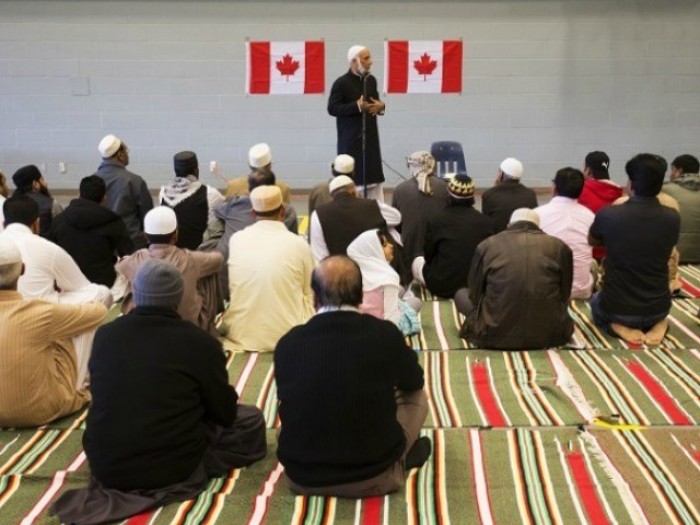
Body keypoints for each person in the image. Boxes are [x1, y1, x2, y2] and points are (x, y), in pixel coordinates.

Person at [51, 259, 266, 525]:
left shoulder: (107, 334)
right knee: (251, 420)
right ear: (178, 297)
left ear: (136, 295)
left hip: (107, 464)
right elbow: (224, 413)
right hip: (173, 467)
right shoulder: (199, 342)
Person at [275, 256, 430, 497]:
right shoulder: (384, 334)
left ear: (315, 297)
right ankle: (400, 458)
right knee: (417, 398)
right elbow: (414, 382)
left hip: (301, 478)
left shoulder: (288, 343)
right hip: (373, 475)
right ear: (360, 296)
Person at [2, 196, 113, 386]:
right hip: (40, 319)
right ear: (37, 223)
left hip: (10, 320)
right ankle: (77, 381)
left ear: (4, 222)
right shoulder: (45, 248)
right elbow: (83, 286)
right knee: (99, 294)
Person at [0, 237, 107, 428]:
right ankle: (80, 385)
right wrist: (60, 304)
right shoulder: (41, 311)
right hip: (42, 410)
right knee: (70, 329)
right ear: (23, 270)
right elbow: (99, 312)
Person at [589, 154, 680, 345]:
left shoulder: (609, 214)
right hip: (659, 307)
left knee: (596, 300)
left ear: (631, 183)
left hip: (615, 308)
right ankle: (659, 323)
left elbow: (593, 241)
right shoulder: (672, 217)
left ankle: (616, 325)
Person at [459, 208, 574, 350]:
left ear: (509, 225)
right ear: (538, 227)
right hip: (551, 335)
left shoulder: (487, 245)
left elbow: (475, 296)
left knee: (460, 294)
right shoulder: (559, 247)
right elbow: (564, 295)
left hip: (493, 334)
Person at [220, 185, 314, 352]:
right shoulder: (299, 244)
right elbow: (308, 291)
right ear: (283, 212)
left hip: (242, 333)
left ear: (253, 214)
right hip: (289, 334)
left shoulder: (237, 240)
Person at [117, 206, 223, 334]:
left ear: (145, 236)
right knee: (209, 273)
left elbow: (120, 265)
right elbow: (218, 260)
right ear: (176, 234)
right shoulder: (192, 259)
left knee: (132, 277)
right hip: (188, 328)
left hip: (143, 327)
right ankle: (209, 326)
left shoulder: (135, 260)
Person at [212, 169, 298, 297]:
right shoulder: (287, 210)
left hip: (226, 281)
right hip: (265, 283)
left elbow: (216, 209)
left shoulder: (234, 204)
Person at [412, 173, 494, 300]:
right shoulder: (486, 222)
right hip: (476, 287)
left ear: (449, 194)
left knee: (418, 260)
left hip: (442, 287)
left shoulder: (437, 220)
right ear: (472, 196)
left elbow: (428, 255)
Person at [49, 175, 134, 288]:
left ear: (79, 194)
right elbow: (129, 255)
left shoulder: (59, 221)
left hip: (67, 284)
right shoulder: (114, 221)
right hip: (104, 285)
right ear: (104, 198)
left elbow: (50, 254)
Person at [328, 45, 386, 201]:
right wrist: (356, 106)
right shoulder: (341, 83)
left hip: (370, 140)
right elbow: (332, 108)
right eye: (366, 58)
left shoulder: (371, 81)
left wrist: (381, 107)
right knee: (354, 183)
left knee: (373, 181)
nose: (370, 62)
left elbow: (375, 103)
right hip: (351, 140)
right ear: (354, 61)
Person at [310, 175, 401, 264]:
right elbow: (397, 217)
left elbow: (320, 258)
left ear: (332, 196)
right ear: (353, 191)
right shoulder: (371, 206)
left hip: (341, 273)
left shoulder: (318, 215)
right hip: (372, 269)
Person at [347, 229, 422, 336]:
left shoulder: (352, 276)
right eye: (385, 245)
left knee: (400, 289)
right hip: (381, 329)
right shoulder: (387, 278)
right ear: (374, 250)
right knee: (415, 302)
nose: (391, 246)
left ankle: (404, 299)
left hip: (359, 326)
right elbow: (392, 323)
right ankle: (407, 299)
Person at [535, 168, 595, 299]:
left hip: (547, 291)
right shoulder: (590, 216)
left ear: (554, 188)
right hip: (582, 291)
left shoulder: (537, 214)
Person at [94, 134, 153, 249]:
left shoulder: (92, 182)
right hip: (132, 245)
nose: (127, 154)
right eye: (126, 151)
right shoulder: (135, 181)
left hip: (101, 244)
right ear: (120, 155)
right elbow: (147, 217)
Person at [159, 151, 225, 250]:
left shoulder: (163, 193)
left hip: (172, 256)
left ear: (176, 171)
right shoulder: (210, 194)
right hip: (199, 257)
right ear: (196, 170)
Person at [391, 151, 449, 262]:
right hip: (438, 250)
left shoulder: (400, 189)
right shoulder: (445, 187)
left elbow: (396, 224)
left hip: (409, 251)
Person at [577, 151, 623, 261]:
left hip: (587, 254)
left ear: (588, 170)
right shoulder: (619, 194)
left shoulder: (580, 191)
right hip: (612, 254)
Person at [481, 157, 537, 233]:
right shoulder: (531, 195)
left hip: (498, 241)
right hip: (526, 239)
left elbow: (486, 225)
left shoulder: (489, 195)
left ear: (501, 174)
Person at [662, 154, 700, 263]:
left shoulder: (665, 190)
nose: (670, 175)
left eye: (672, 170)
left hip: (677, 256)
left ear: (679, 170)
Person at [224, 143, 292, 203]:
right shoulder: (282, 189)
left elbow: (227, 212)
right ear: (270, 165)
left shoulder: (233, 186)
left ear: (249, 165)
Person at [11, 164, 62, 238]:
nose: (46, 183)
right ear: (35, 184)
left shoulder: (11, 204)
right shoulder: (52, 204)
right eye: (42, 179)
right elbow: (62, 229)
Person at [308, 153, 355, 218]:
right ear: (353, 174)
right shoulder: (356, 194)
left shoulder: (318, 189)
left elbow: (312, 216)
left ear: (333, 170)